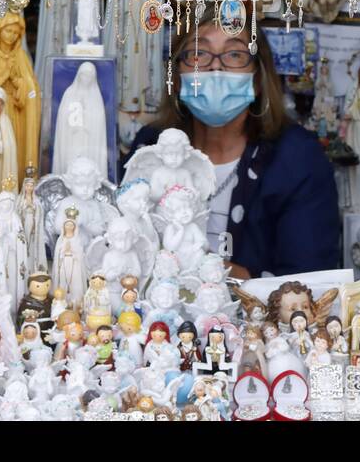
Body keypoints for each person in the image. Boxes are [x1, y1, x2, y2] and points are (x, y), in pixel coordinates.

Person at [126, 18, 339, 278]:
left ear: (259, 79)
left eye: (235, 54)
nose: (216, 67)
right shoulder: (152, 145)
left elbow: (309, 277)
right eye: (198, 53)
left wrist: (211, 273)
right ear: (177, 78)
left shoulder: (297, 158)